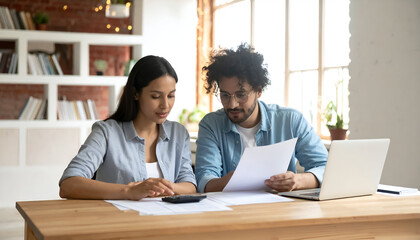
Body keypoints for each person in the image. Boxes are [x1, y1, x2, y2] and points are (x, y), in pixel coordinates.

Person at [195, 43, 328, 193]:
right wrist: (234, 180)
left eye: (241, 95)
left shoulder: (291, 120)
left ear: (258, 91)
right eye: (225, 95)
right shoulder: (211, 125)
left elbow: (326, 167)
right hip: (231, 212)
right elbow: (204, 181)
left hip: (281, 209)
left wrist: (298, 181)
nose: (232, 104)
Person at [59, 55, 197, 200]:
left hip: (164, 220)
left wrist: (159, 187)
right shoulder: (107, 132)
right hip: (117, 220)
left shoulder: (178, 133)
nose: (165, 105)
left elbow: (190, 186)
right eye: (156, 96)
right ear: (135, 93)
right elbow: (69, 185)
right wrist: (129, 191)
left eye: (171, 96)